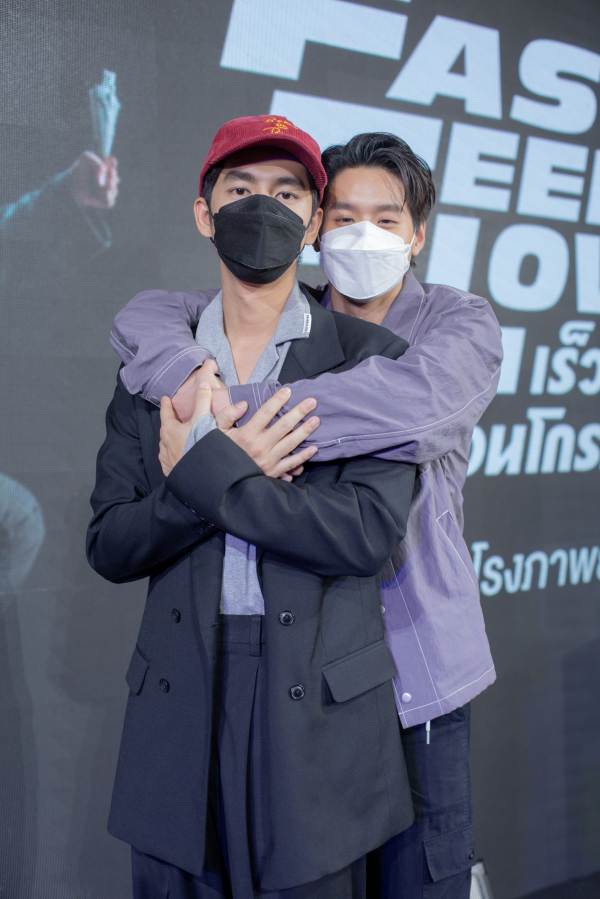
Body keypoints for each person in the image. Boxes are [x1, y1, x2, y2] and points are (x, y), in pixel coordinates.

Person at [109, 129, 504, 898]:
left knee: (424, 877)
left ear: (417, 234)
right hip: (311, 675)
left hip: (416, 662)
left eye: (386, 219)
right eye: (345, 215)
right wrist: (189, 370)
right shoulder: (287, 315)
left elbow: (410, 406)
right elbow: (145, 315)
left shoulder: (457, 322)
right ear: (317, 226)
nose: (364, 234)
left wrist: (222, 420)